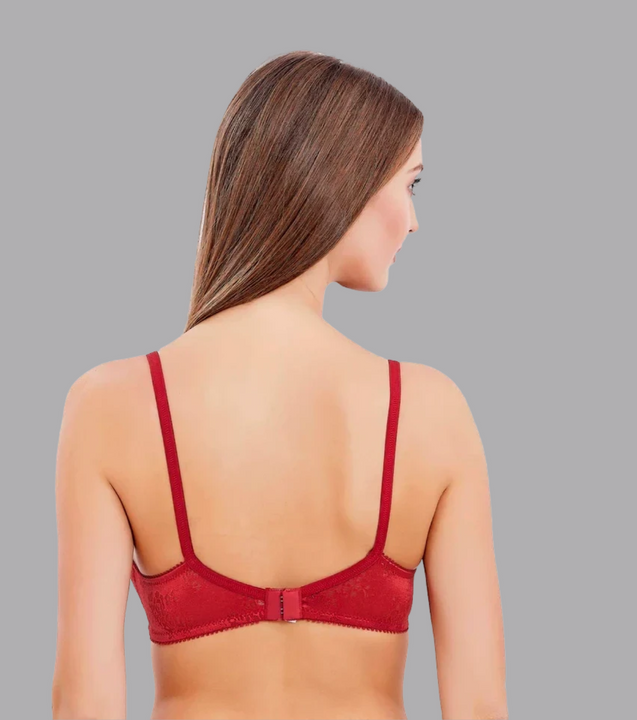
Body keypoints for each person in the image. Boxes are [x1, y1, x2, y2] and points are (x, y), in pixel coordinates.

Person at [51, 50, 507, 720]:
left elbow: (83, 704)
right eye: (412, 185)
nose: (414, 221)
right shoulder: (431, 411)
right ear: (345, 179)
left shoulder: (111, 404)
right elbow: (480, 707)